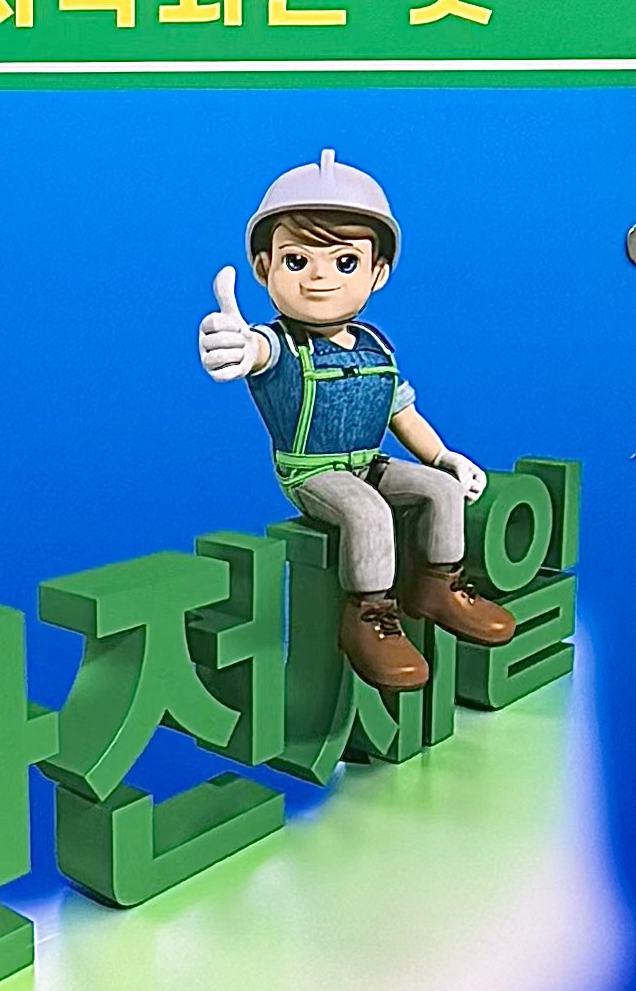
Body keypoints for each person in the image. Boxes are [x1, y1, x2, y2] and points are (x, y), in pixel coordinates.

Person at [197, 153, 514, 694]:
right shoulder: (280, 345)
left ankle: (438, 586)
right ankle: (368, 614)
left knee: (440, 490)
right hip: (313, 472)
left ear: (378, 273)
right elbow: (255, 351)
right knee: (368, 513)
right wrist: (237, 347)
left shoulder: (375, 346)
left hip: (371, 463)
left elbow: (402, 413)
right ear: (264, 269)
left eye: (345, 262)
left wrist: (444, 457)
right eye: (297, 260)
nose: (320, 278)